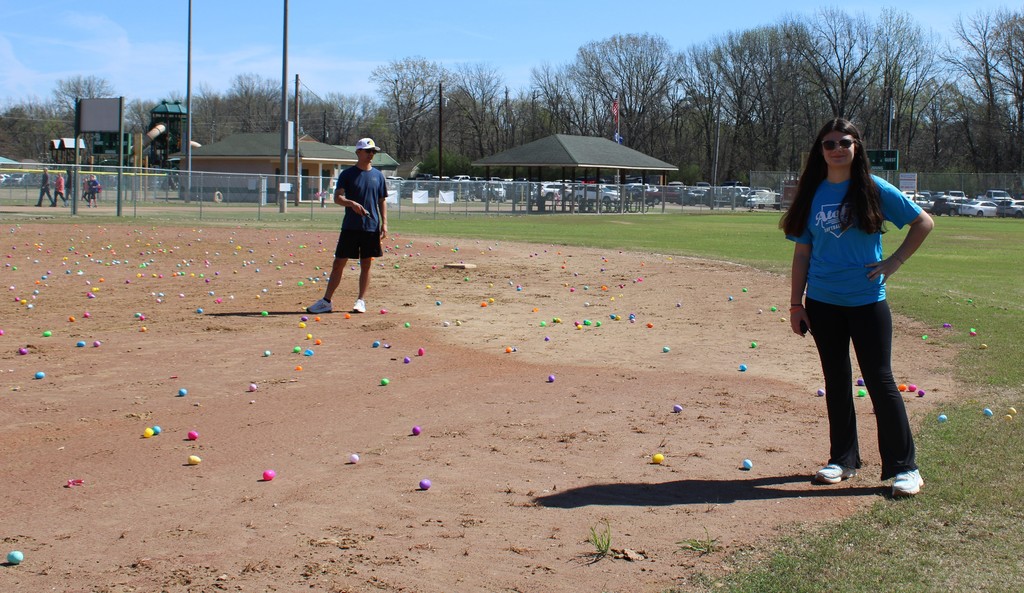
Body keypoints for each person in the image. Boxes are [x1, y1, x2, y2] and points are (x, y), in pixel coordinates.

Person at [780, 118, 934, 497]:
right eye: (829, 143)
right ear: (821, 151)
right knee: (836, 381)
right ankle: (843, 460)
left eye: (844, 142)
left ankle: (905, 468)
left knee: (881, 381)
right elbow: (802, 252)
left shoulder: (874, 189)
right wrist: (795, 304)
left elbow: (923, 223)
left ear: (856, 147)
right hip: (822, 302)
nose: (837, 149)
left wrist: (893, 263)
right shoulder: (811, 193)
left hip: (867, 303)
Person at [306, 138, 388, 314]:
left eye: (373, 151)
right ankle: (326, 301)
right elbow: (337, 198)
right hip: (351, 226)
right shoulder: (347, 174)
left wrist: (384, 224)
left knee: (366, 265)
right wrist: (351, 203)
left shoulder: (378, 176)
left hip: (371, 227)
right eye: (368, 151)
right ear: (358, 152)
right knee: (338, 263)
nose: (371, 154)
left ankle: (360, 301)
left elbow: (382, 201)